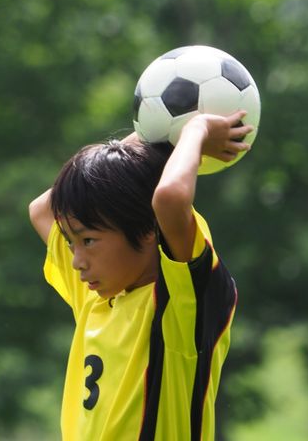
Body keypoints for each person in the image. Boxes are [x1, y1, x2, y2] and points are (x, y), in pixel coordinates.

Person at [28, 111, 254, 440]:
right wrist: (151, 134)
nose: (77, 261)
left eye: (88, 241)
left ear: (149, 228)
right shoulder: (95, 299)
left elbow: (169, 199)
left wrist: (195, 129)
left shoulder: (180, 302)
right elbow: (42, 210)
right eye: (71, 243)